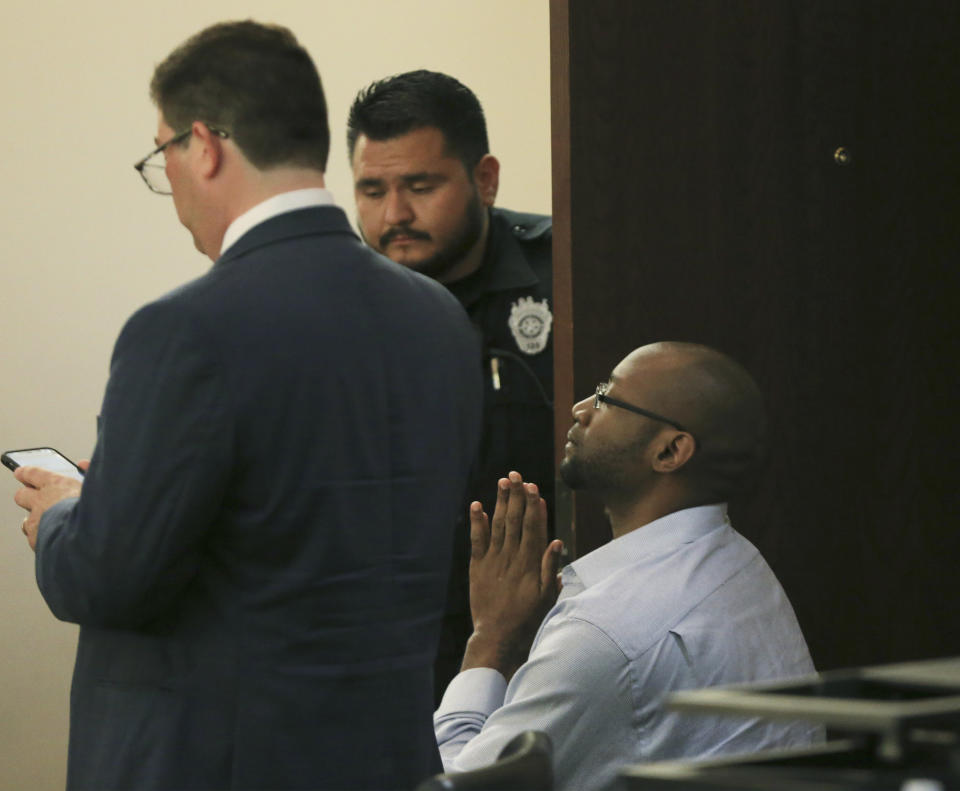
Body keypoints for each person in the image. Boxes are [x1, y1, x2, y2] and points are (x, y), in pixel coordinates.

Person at [12, 22, 482, 791]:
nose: (170, 183)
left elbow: (106, 576)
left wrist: (69, 512)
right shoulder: (439, 321)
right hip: (388, 757)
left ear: (204, 145)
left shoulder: (183, 330)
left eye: (162, 154)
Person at [434, 342, 818, 791]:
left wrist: (492, 640)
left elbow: (461, 785)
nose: (581, 410)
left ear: (670, 452)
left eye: (605, 398)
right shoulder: (739, 562)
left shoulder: (607, 634)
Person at [347, 70, 554, 700]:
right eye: (372, 190)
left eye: (420, 186)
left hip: (549, 633)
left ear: (484, 180)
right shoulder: (334, 303)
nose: (394, 215)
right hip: (390, 637)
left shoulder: (568, 273)